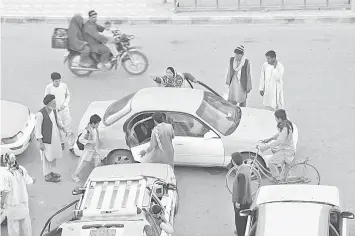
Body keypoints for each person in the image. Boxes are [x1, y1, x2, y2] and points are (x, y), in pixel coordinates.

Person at [0, 153, 35, 236]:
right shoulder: (21, 169)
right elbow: (29, 180)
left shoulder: (5, 174)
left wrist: (2, 202)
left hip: (12, 204)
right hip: (23, 202)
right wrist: (33, 179)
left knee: (13, 228)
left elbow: (5, 190)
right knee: (26, 225)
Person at [259, 109, 295, 181]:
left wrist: (266, 147)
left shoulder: (285, 127)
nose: (275, 119)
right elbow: (278, 135)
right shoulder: (286, 124)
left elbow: (279, 140)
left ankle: (277, 178)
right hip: (284, 148)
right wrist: (269, 139)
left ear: (279, 118)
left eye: (276, 118)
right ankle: (282, 178)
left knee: (271, 162)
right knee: (284, 171)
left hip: (286, 151)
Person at [35, 94, 64, 183]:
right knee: (46, 158)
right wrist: (41, 143)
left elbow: (58, 121)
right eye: (53, 103)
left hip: (54, 139)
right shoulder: (40, 114)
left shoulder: (54, 111)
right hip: (46, 140)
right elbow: (38, 130)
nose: (55, 104)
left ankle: (50, 172)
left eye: (55, 102)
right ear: (48, 104)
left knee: (52, 157)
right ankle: (47, 176)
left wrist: (63, 128)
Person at [44, 72, 76, 153]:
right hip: (55, 112)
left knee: (68, 127)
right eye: (56, 81)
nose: (58, 83)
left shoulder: (64, 86)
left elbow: (68, 95)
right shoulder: (48, 88)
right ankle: (61, 142)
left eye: (59, 81)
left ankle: (71, 146)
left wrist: (64, 105)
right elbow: (46, 100)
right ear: (52, 81)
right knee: (58, 129)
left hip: (65, 110)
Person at [72, 114, 102, 183]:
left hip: (95, 149)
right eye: (97, 123)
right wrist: (90, 142)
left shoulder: (95, 129)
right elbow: (80, 139)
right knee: (82, 163)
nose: (98, 125)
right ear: (93, 123)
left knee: (97, 163)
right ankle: (75, 175)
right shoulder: (87, 130)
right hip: (89, 150)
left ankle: (97, 176)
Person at [231, 152, 252, 236]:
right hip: (248, 198)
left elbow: (241, 189)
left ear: (233, 161)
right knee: (245, 219)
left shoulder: (240, 174)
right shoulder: (246, 167)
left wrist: (238, 202)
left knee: (239, 220)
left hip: (242, 201)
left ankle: (241, 233)